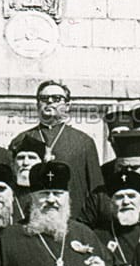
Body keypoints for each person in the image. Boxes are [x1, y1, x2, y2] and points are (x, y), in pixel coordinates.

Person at [8, 81, 103, 224]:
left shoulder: (84, 142)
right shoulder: (20, 140)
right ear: (37, 105)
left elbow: (96, 190)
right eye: (44, 98)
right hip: (29, 222)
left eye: (57, 98)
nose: (50, 101)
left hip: (73, 222)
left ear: (67, 106)